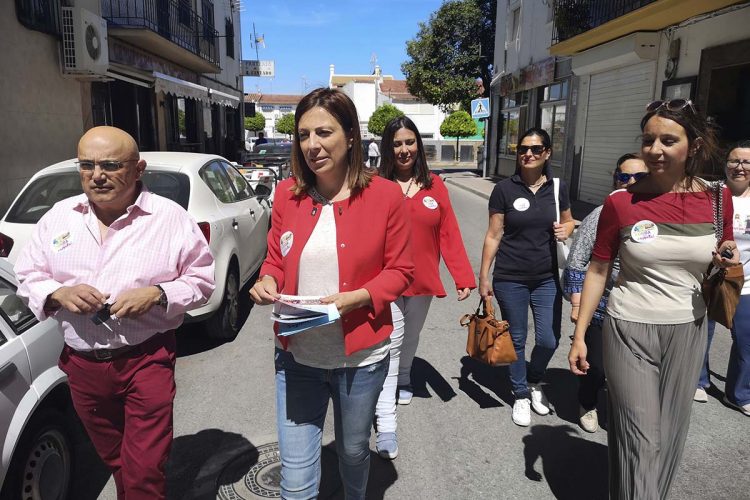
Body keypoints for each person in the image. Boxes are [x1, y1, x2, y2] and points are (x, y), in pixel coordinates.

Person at [14, 126, 215, 500]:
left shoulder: (170, 219)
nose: (97, 175)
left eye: (110, 164)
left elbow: (202, 282)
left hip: (146, 360)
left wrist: (157, 295)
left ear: (138, 169)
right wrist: (57, 292)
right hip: (83, 366)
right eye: (86, 165)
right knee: (118, 461)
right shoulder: (59, 217)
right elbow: (27, 274)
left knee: (143, 469)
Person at [568, 99, 739, 499]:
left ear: (693, 145)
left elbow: (725, 248)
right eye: (648, 140)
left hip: (690, 328)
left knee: (669, 434)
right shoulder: (621, 202)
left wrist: (726, 256)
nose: (656, 150)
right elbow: (597, 269)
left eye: (668, 140)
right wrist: (578, 335)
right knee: (640, 437)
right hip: (629, 327)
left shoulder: (718, 199)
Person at [249, 88, 413, 499]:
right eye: (303, 135)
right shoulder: (287, 193)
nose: (312, 145)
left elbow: (401, 271)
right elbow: (275, 259)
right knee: (296, 479)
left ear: (351, 136)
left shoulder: (385, 196)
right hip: (296, 357)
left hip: (361, 358)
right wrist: (267, 281)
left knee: (353, 452)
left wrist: (359, 297)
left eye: (324, 132)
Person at [373, 116, 475, 459]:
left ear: (419, 144)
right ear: (389, 148)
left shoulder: (435, 186)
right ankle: (385, 422)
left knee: (411, 336)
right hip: (386, 280)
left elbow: (449, 233)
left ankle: (403, 379)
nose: (404, 150)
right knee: (393, 339)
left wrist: (462, 276)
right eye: (397, 144)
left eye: (410, 142)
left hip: (423, 279)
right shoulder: (377, 185)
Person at [478, 127, 575, 427]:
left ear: (547, 153)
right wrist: (484, 277)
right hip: (510, 277)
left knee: (549, 338)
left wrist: (567, 229)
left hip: (547, 276)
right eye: (523, 149)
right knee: (516, 338)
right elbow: (494, 235)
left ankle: (534, 380)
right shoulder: (504, 189)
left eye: (535, 149)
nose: (527, 154)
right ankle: (520, 393)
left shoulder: (558, 189)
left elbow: (570, 222)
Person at [563, 153, 648, 432]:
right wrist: (577, 304)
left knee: (628, 367)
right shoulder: (602, 213)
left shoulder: (655, 215)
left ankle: (619, 406)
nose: (631, 182)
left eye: (640, 176)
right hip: (601, 305)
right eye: (625, 177)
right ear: (616, 179)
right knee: (596, 365)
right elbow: (577, 260)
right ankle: (587, 402)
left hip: (639, 306)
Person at [694, 140, 750, 415]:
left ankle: (738, 394)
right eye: (734, 161)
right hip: (710, 276)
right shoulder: (711, 193)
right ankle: (698, 380)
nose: (740, 167)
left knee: (746, 339)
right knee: (703, 332)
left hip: (747, 280)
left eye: (746, 162)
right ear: (725, 163)